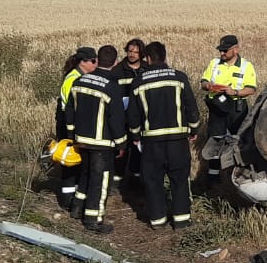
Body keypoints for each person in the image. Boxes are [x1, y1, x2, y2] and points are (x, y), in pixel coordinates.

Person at [124, 41, 200, 229]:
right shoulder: (179, 77)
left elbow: (133, 115)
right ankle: (181, 220)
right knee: (180, 180)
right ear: (164, 56)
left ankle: (157, 220)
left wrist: (134, 136)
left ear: (148, 59)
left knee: (153, 180)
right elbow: (191, 106)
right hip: (177, 141)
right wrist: (194, 129)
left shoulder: (139, 82)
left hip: (151, 142)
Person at [67, 45, 126, 234]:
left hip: (81, 139)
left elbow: (70, 110)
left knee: (85, 173)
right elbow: (115, 118)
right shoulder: (112, 87)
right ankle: (94, 218)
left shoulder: (79, 81)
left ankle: (77, 208)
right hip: (102, 142)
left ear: (97, 60)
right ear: (115, 63)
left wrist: (71, 134)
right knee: (100, 180)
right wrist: (121, 142)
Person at [198, 33, 256, 187]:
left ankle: (240, 177)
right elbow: (203, 82)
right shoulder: (214, 63)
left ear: (235, 49)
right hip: (217, 107)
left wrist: (235, 92)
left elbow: (251, 89)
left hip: (236, 108)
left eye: (225, 50)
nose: (222, 53)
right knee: (215, 140)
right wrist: (209, 86)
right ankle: (213, 178)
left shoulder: (246, 66)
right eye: (220, 51)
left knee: (240, 141)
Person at [54, 48, 96, 211]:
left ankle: (73, 198)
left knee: (76, 163)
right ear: (83, 62)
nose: (96, 64)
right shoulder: (73, 79)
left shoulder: (78, 76)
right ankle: (67, 200)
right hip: (68, 124)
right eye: (93, 61)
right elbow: (71, 106)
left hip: (71, 123)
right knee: (70, 162)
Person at [111, 38, 146, 191]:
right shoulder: (117, 71)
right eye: (129, 51)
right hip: (123, 118)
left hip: (142, 118)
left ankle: (136, 180)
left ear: (142, 54)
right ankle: (116, 181)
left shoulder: (147, 69)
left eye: (135, 52)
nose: (132, 54)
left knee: (138, 149)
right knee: (121, 150)